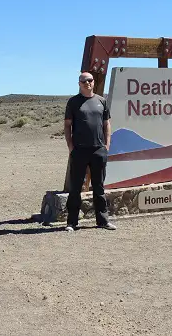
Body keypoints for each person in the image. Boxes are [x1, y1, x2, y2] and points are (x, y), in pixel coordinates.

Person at [63, 72, 116, 231]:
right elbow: (67, 125)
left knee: (99, 186)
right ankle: (72, 222)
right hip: (79, 150)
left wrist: (106, 146)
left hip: (98, 150)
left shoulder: (101, 101)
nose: (87, 83)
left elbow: (107, 125)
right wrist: (71, 147)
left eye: (90, 80)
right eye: (84, 81)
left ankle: (103, 221)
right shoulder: (73, 102)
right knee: (76, 187)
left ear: (93, 82)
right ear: (79, 83)